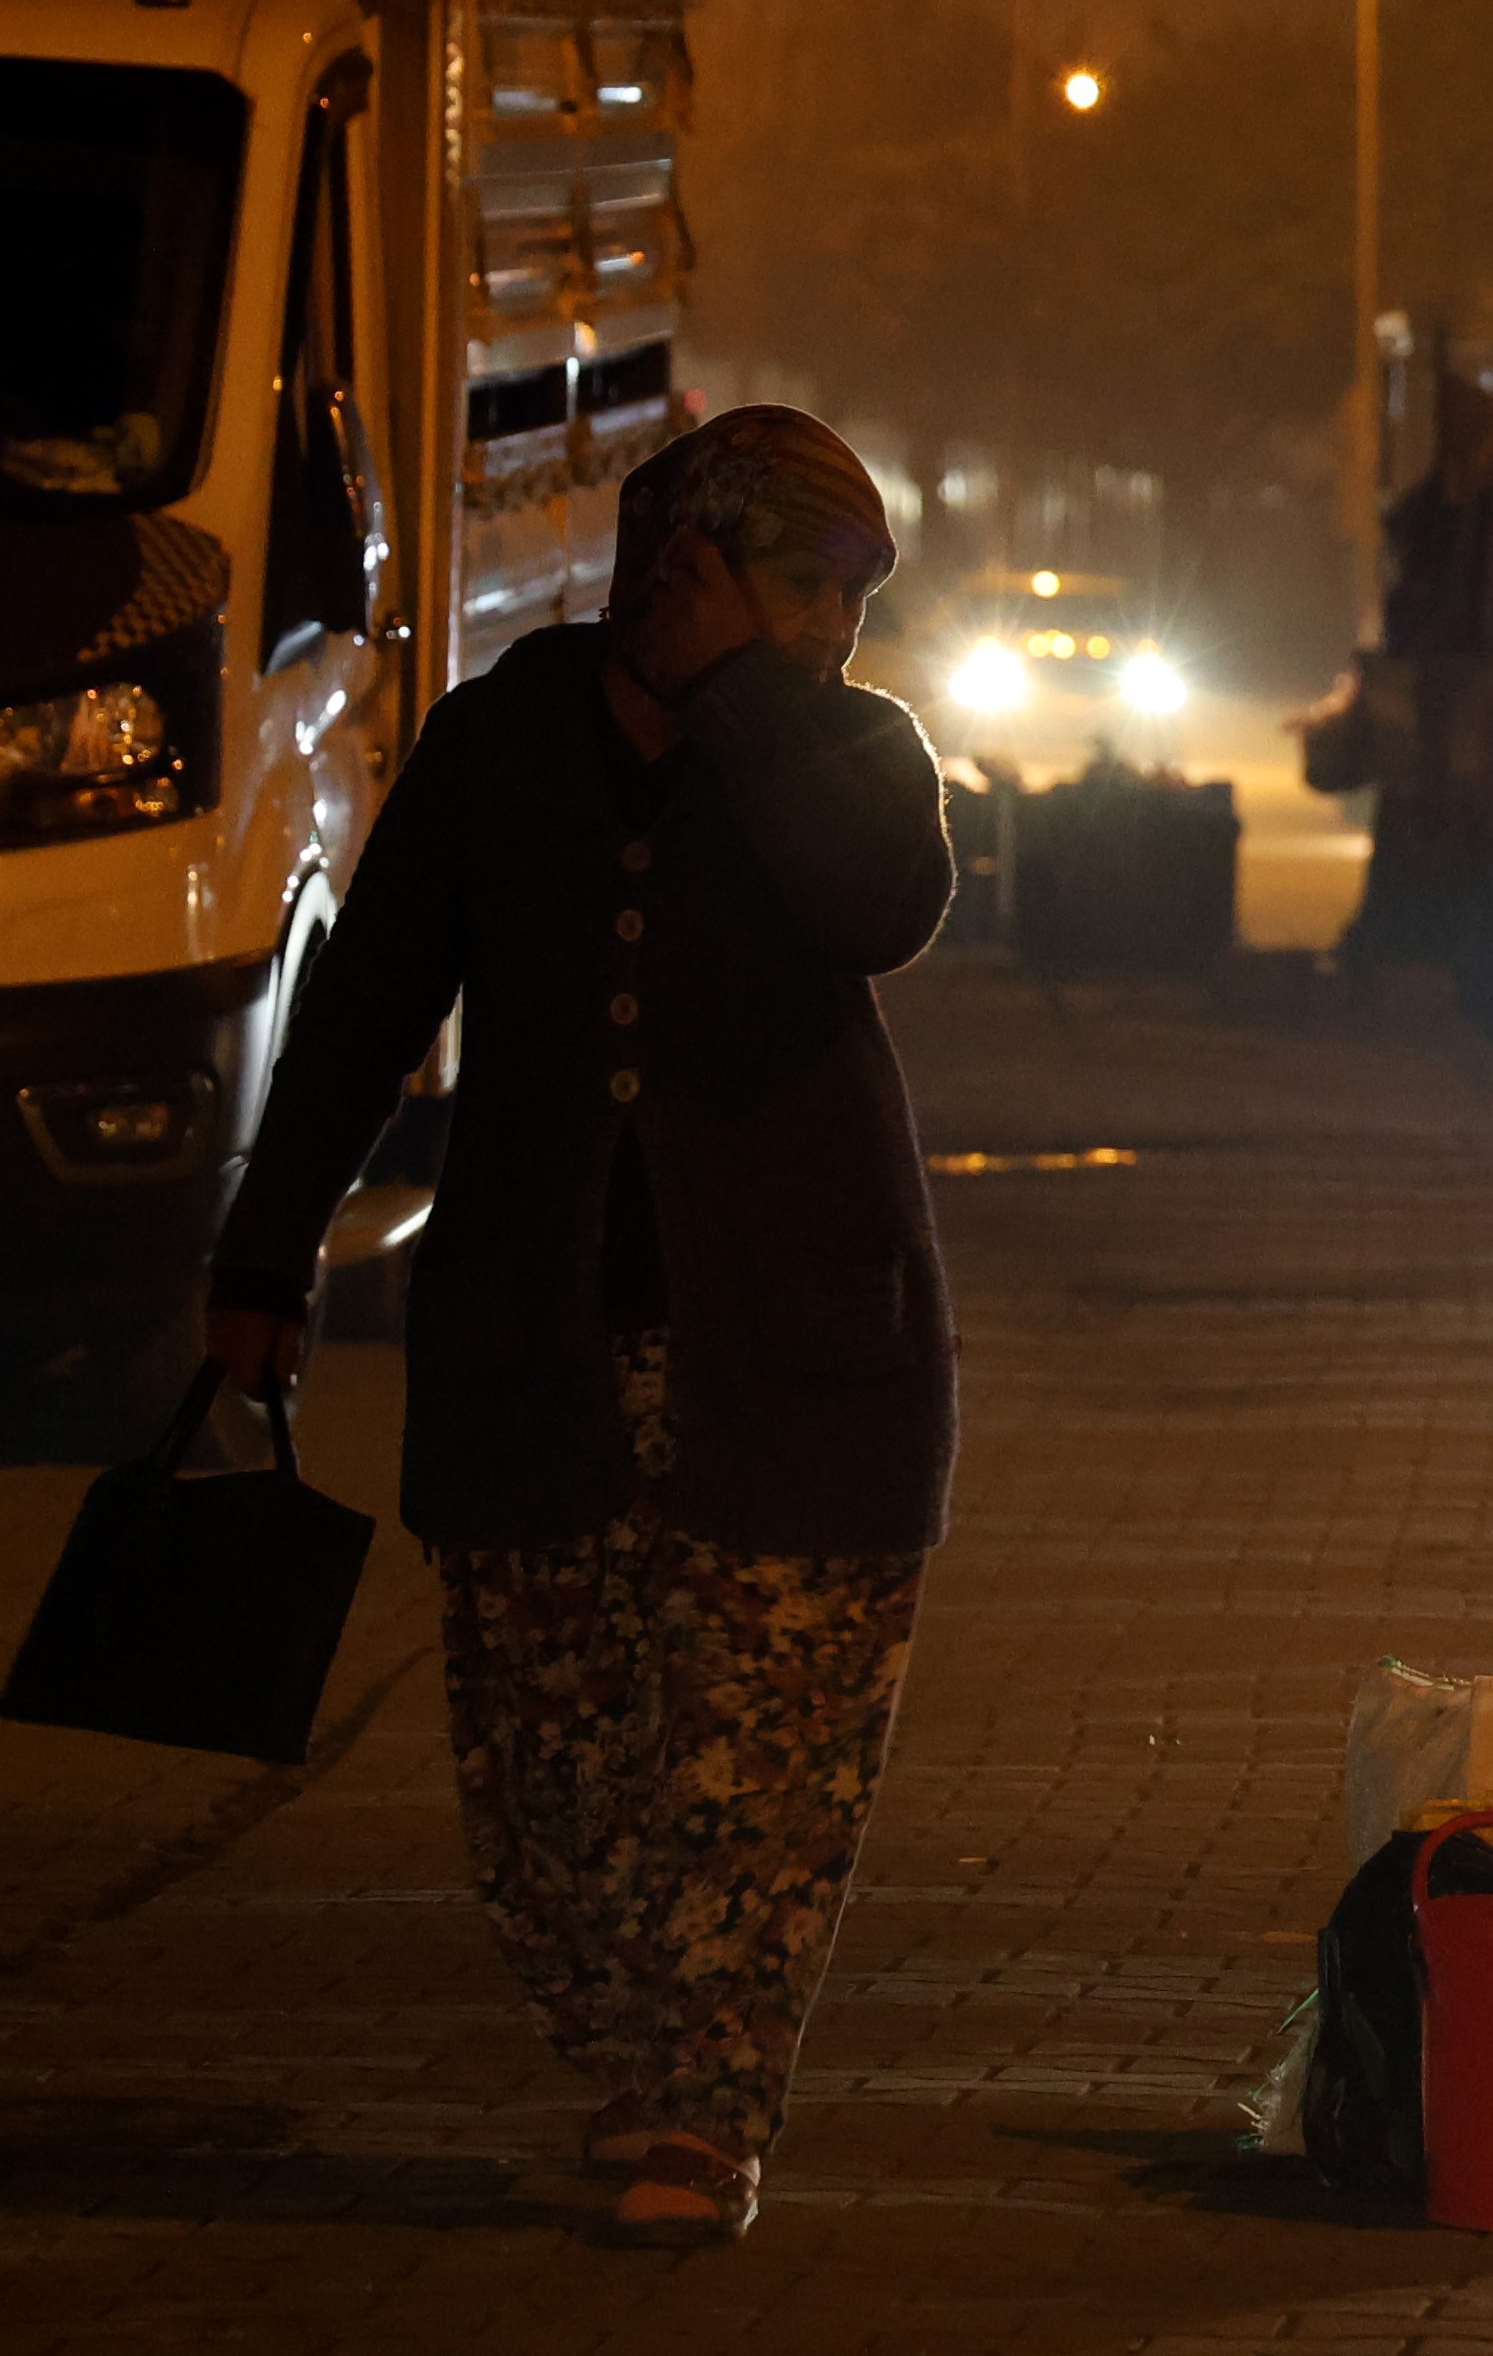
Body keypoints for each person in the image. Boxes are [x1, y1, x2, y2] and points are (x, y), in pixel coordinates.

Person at [203, 406, 955, 2247]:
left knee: (756, 1774)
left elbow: (882, 905)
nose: (833, 632)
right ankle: (633, 2064)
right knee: (554, 1792)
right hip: (532, 1351)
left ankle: (704, 2114)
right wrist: (264, 1261)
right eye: (801, 587)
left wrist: (749, 692)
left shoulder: (842, 746)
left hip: (798, 1365)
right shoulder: (500, 742)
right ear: (676, 564)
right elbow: (364, 1015)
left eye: (852, 600)